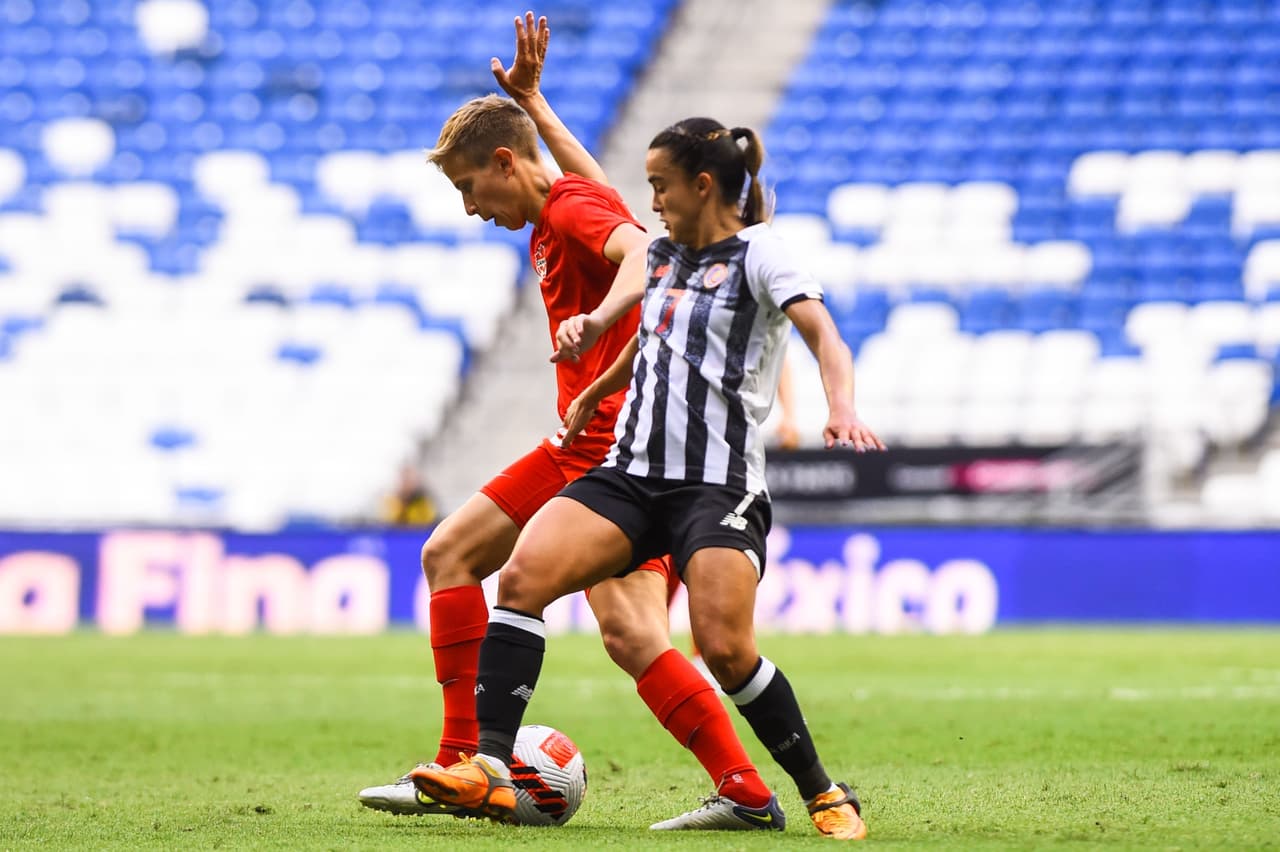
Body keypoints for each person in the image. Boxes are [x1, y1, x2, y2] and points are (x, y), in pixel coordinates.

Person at [358, 14, 783, 828]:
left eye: (468, 187)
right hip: (632, 447)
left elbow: (636, 250)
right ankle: (745, 789)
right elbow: (612, 205)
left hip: (603, 447)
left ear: (505, 164)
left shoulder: (564, 217)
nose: (470, 208)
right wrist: (536, 101)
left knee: (450, 552)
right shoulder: (567, 201)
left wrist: (597, 324)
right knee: (630, 633)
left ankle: (459, 765)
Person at [409, 116, 885, 840]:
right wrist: (597, 390)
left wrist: (840, 404)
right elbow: (652, 336)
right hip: (629, 475)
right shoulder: (666, 254)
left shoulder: (762, 255)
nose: (649, 200)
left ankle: (822, 792)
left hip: (714, 485)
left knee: (724, 648)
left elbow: (823, 333)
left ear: (702, 185)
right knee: (522, 580)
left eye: (660, 186)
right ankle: (488, 766)